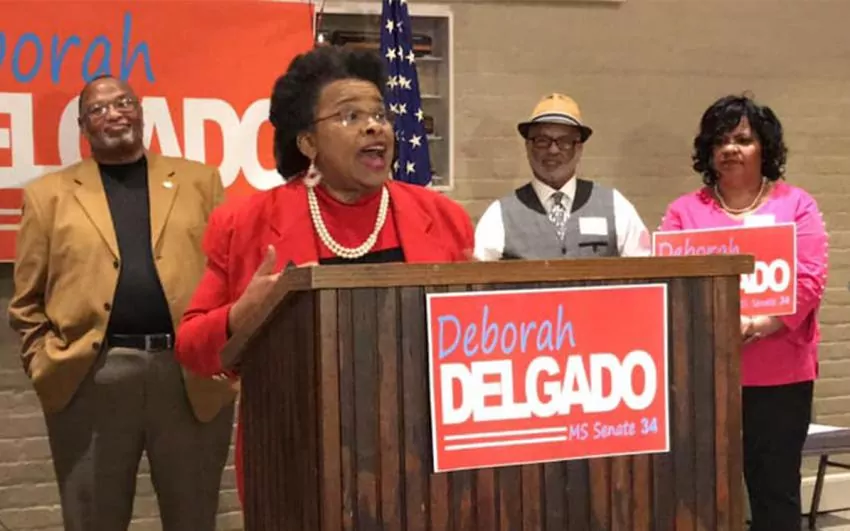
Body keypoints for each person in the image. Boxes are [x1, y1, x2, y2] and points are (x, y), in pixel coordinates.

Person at [173, 45, 475, 504]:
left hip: (420, 457)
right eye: (350, 116)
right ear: (308, 143)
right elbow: (192, 348)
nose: (374, 126)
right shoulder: (245, 224)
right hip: (300, 456)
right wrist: (240, 316)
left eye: (379, 114)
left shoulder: (442, 217)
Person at [7, 75, 237, 531]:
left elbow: (229, 275)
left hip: (188, 376)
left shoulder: (200, 181)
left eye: (123, 102)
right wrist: (43, 363)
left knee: (193, 518)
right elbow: (27, 300)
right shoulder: (48, 196)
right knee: (93, 519)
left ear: (140, 111)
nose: (113, 113)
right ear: (83, 126)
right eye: (98, 109)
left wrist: (227, 356)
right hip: (92, 380)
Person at [658, 94, 828, 531]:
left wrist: (761, 323)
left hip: (779, 378)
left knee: (775, 492)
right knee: (698, 492)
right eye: (720, 140)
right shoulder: (683, 213)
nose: (730, 149)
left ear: (764, 148)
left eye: (743, 139)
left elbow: (809, 280)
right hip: (703, 378)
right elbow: (667, 283)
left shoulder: (797, 205)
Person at [473, 93, 650, 260]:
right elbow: (479, 277)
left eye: (565, 142)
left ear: (579, 149)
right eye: (542, 141)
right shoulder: (499, 215)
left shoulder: (616, 206)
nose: (553, 150)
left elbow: (645, 270)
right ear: (528, 147)